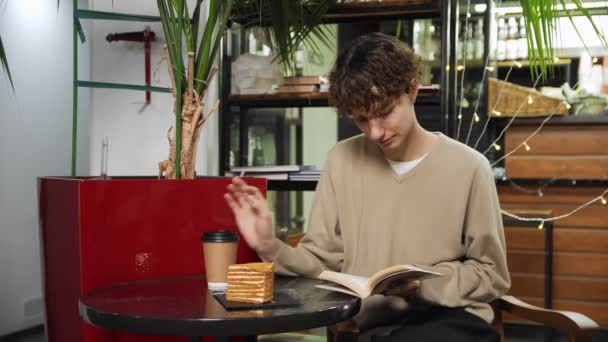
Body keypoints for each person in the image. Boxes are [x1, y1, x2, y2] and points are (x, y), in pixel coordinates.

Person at [224, 32, 510, 342]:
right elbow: (320, 262)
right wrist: (269, 245)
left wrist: (420, 286)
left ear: (412, 90)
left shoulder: (470, 167)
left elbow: (491, 274)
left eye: (385, 113)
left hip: (450, 320)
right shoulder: (341, 161)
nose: (375, 132)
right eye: (362, 120)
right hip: (369, 322)